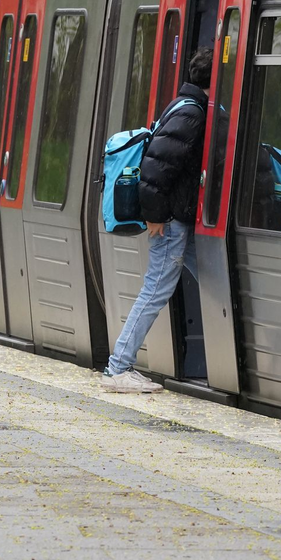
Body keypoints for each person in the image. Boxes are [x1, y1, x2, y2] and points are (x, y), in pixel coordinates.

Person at [101, 48, 212, 394]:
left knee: (216, 275)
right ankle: (119, 367)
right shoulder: (191, 114)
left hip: (176, 219)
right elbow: (154, 169)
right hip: (170, 222)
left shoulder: (183, 105)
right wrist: (156, 216)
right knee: (155, 290)